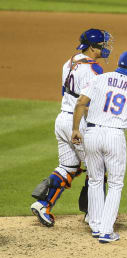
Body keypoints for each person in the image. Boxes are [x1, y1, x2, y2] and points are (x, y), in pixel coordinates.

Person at [71, 51, 127, 243]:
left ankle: (95, 225)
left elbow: (80, 102)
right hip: (114, 136)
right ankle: (106, 230)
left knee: (94, 180)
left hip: (92, 133)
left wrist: (76, 129)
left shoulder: (100, 79)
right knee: (115, 184)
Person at [30, 29, 113, 227]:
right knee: (99, 169)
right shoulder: (95, 70)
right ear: (93, 48)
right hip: (78, 123)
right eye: (103, 44)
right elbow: (93, 102)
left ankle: (43, 204)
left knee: (68, 167)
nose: (106, 48)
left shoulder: (70, 61)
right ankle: (94, 213)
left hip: (62, 120)